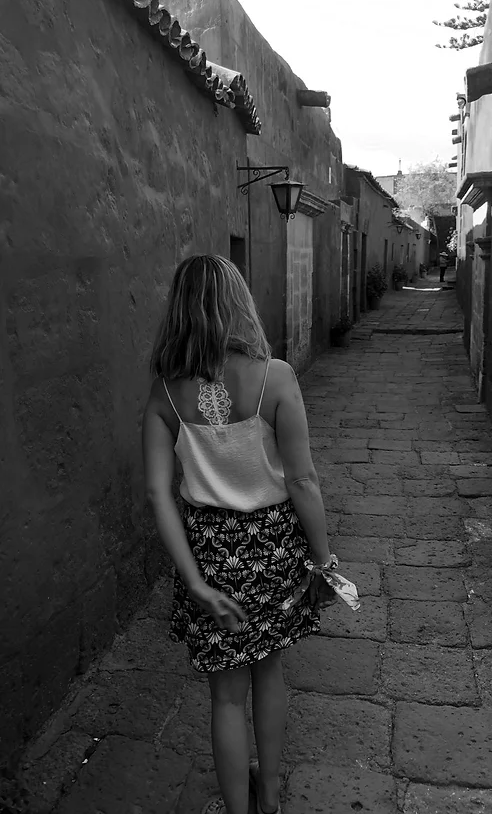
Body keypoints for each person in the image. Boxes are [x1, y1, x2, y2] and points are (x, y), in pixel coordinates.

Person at [142, 255, 335, 814]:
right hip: (272, 544)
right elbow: (302, 479)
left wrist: (195, 583)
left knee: (226, 695)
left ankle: (236, 809)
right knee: (268, 667)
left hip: (207, 549)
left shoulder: (164, 392)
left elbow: (158, 494)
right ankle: (269, 797)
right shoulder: (275, 376)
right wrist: (323, 558)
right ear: (237, 303)